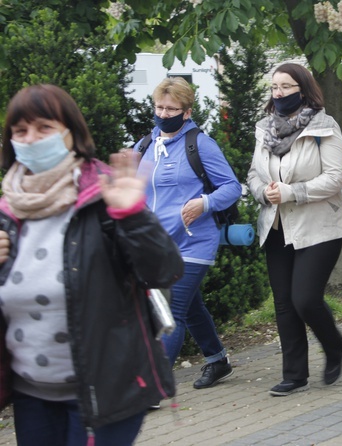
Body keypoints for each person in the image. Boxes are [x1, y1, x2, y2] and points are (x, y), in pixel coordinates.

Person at [0, 84, 183, 445]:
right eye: (20, 131)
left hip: (105, 392)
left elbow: (163, 271)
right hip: (32, 394)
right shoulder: (9, 211)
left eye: (44, 128)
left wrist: (132, 217)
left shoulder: (105, 197)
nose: (31, 139)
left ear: (72, 133)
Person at [247, 63, 342, 396]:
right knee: (283, 303)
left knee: (305, 299)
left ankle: (334, 345)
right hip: (277, 224)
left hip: (319, 226)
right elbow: (253, 174)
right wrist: (263, 192)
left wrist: (292, 192)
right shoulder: (264, 128)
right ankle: (294, 374)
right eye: (274, 87)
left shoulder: (325, 125)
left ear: (302, 89)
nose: (278, 93)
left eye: (286, 87)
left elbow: (335, 177)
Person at [134, 77, 242, 391]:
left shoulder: (199, 144)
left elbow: (231, 187)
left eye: (171, 108)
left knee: (172, 310)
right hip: (157, 245)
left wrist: (204, 202)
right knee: (191, 306)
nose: (163, 113)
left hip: (193, 241)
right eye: (159, 107)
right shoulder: (144, 146)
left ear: (186, 111)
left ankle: (154, 387)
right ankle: (218, 360)